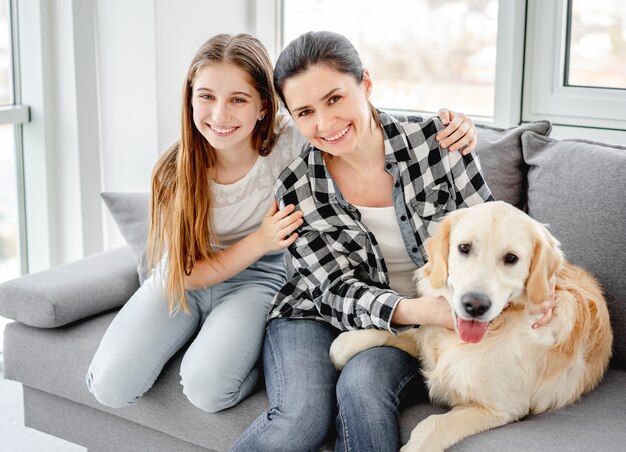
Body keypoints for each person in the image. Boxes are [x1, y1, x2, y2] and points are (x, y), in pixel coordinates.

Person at [86, 33, 477, 414]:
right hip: (186, 277)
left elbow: (349, 114)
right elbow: (186, 274)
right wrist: (260, 240)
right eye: (206, 97)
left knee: (208, 390)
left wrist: (454, 124)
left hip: (258, 279)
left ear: (264, 107)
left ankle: (240, 357)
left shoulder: (292, 141)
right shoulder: (173, 172)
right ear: (190, 99)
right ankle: (198, 336)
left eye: (238, 99)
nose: (220, 115)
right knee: (110, 386)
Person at [232, 31, 556, 451]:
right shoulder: (297, 186)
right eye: (306, 111)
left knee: (363, 385)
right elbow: (332, 289)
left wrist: (536, 288)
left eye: (335, 99)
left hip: (414, 325)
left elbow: (492, 229)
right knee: (301, 417)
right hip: (316, 311)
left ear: (365, 85)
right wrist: (417, 309)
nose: (325, 124)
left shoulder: (440, 145)